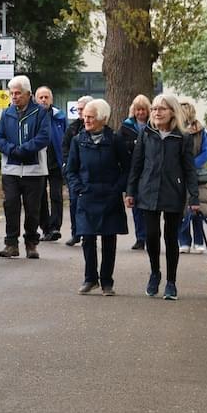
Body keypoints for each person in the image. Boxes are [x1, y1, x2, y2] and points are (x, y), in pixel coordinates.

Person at [125, 92, 200, 301]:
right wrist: (130, 191)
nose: (157, 112)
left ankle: (171, 281)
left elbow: (190, 170)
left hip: (172, 192)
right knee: (151, 236)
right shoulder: (145, 134)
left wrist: (194, 198)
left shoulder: (183, 138)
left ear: (172, 112)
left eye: (162, 108)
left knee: (170, 238)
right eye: (155, 108)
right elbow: (136, 165)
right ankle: (155, 273)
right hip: (147, 191)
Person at [64, 99, 129, 295]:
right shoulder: (78, 140)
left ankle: (107, 281)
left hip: (110, 196)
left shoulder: (115, 140)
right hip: (87, 195)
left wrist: (117, 189)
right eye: (85, 117)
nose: (86, 120)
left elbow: (126, 168)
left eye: (91, 117)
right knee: (88, 238)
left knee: (109, 239)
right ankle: (90, 278)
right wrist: (78, 189)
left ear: (103, 119)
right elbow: (71, 169)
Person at [0, 75, 53, 260]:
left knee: (32, 208)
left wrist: (24, 150)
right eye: (12, 93)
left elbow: (44, 137)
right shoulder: (6, 113)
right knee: (10, 205)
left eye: (18, 93)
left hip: (34, 170)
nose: (14, 96)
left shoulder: (40, 112)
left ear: (28, 94)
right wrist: (12, 150)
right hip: (11, 169)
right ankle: (11, 243)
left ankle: (31, 243)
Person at [177, 101, 207, 254]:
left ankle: (198, 241)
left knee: (198, 210)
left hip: (197, 175)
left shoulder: (201, 131)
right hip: (179, 174)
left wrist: (190, 165)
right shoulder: (175, 129)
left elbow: (205, 152)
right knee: (181, 211)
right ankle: (184, 241)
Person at [118, 95, 152, 250]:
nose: (140, 113)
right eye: (138, 110)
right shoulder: (127, 126)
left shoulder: (153, 125)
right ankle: (140, 237)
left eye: (143, 110)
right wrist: (134, 144)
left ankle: (151, 236)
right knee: (136, 205)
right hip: (133, 169)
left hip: (150, 170)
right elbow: (120, 146)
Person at [36, 86, 67, 242]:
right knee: (40, 196)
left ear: (51, 99)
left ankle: (55, 227)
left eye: (46, 97)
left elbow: (66, 139)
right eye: (40, 97)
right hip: (39, 163)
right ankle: (45, 227)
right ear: (36, 99)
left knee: (56, 195)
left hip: (55, 162)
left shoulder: (59, 117)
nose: (43, 100)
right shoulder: (33, 116)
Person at [62, 95, 93, 247]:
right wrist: (67, 167)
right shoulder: (72, 128)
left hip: (90, 173)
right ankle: (76, 233)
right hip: (75, 173)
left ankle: (88, 233)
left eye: (82, 109)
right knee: (74, 203)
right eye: (78, 109)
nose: (79, 112)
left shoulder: (95, 129)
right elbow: (65, 148)